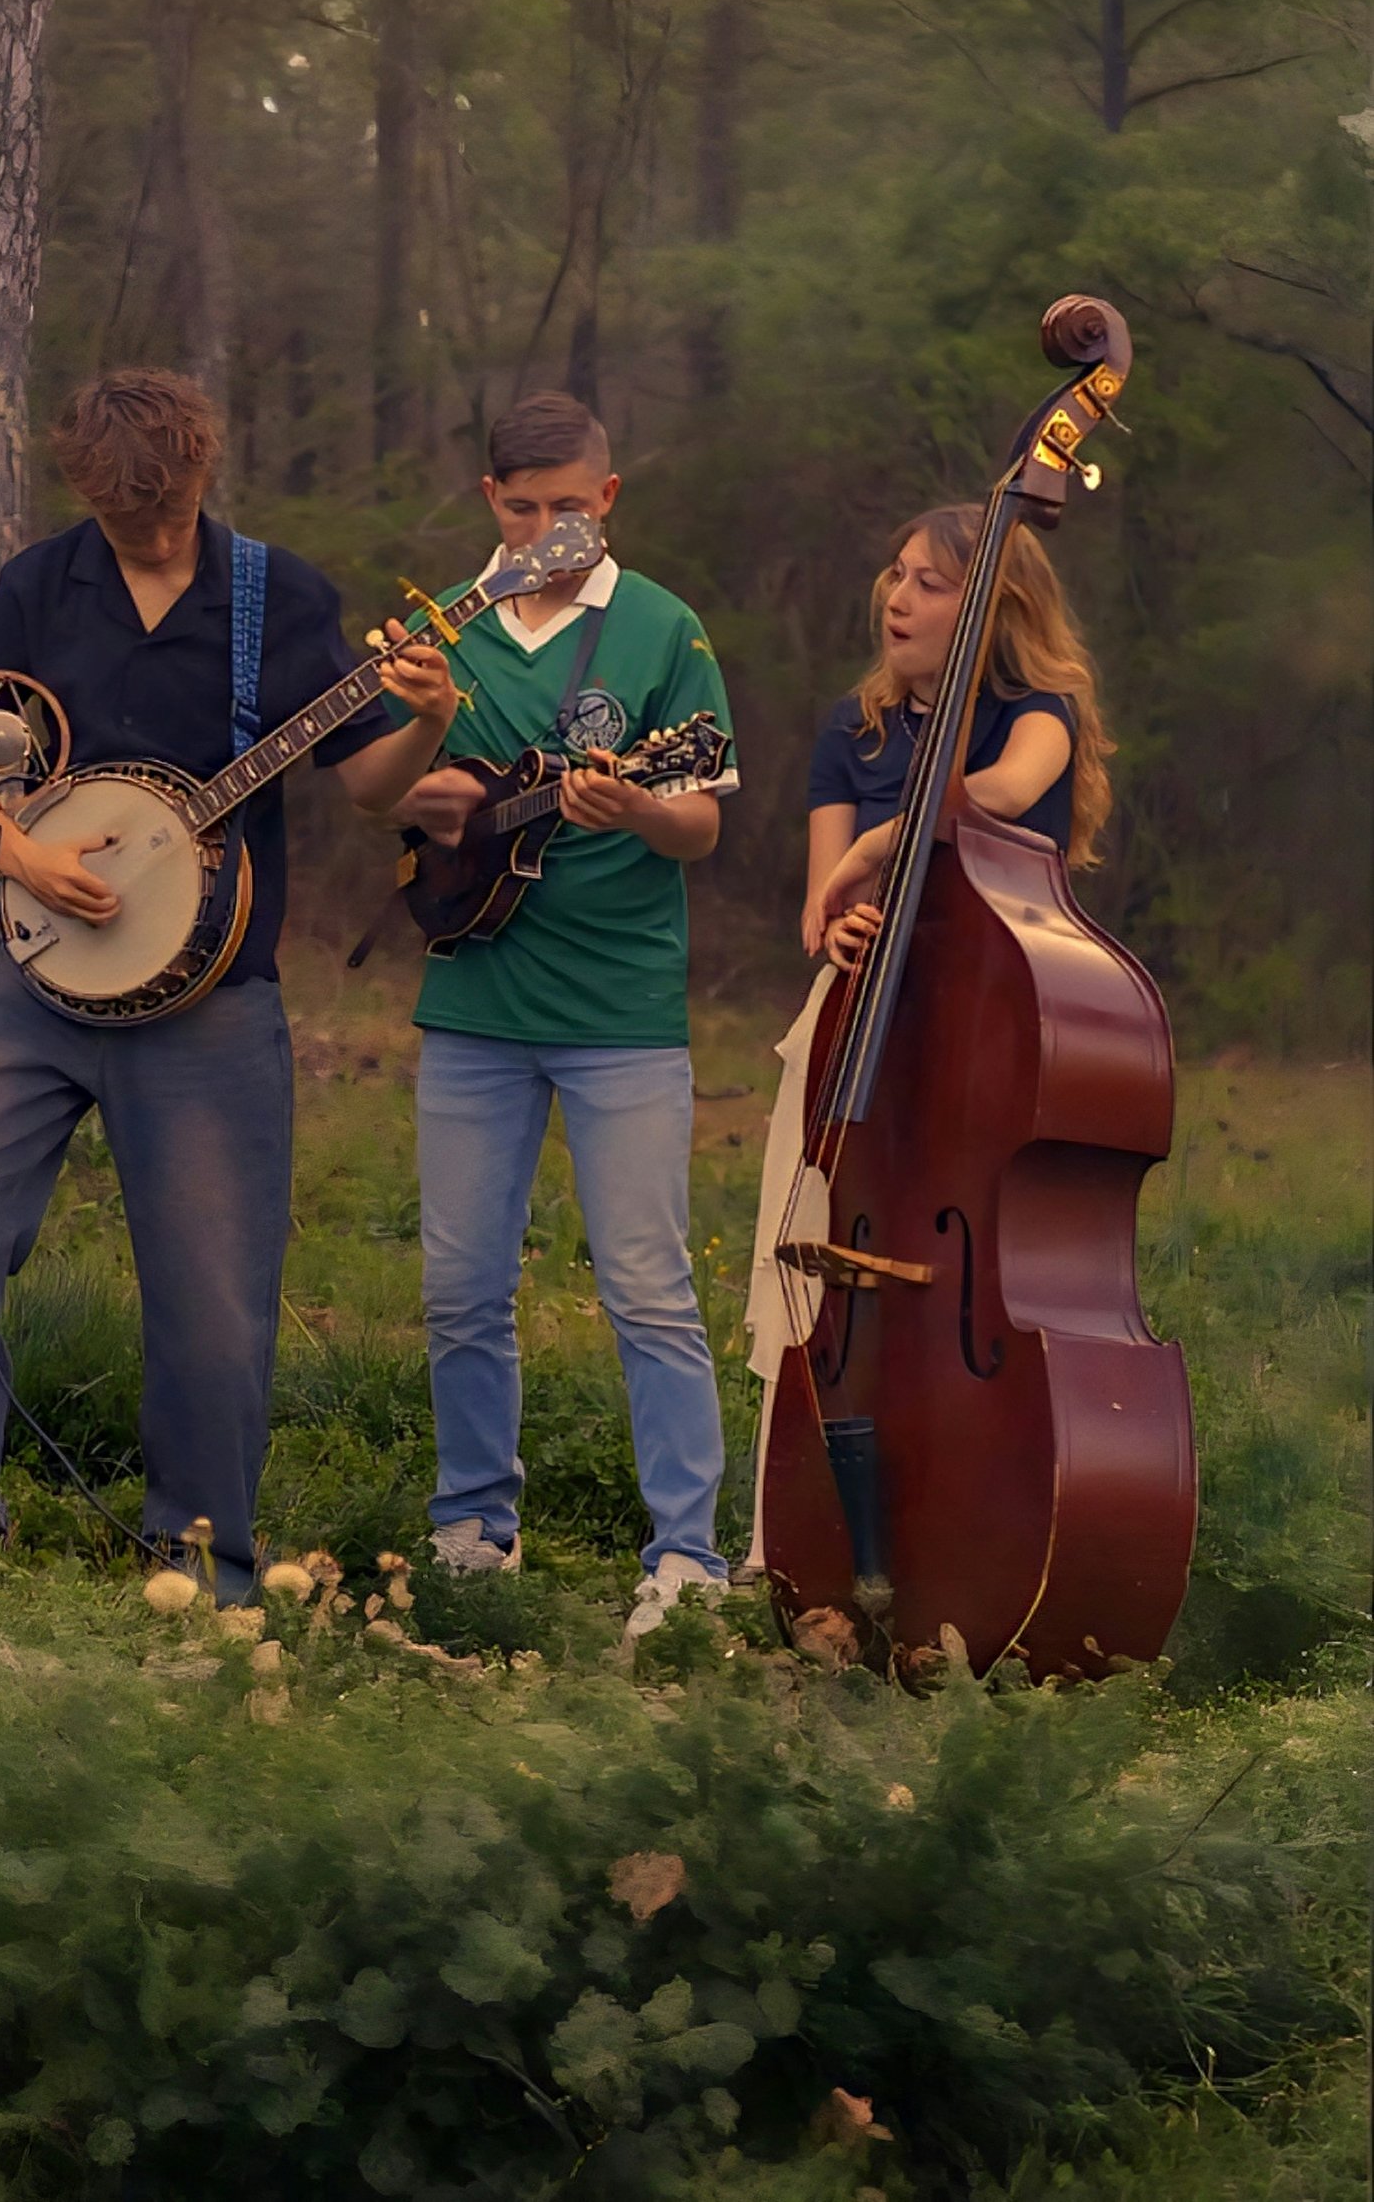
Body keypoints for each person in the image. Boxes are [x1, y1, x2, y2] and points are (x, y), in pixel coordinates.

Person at [0, 367, 460, 1600]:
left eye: (169, 507)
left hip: (210, 1004)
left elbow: (371, 785)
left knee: (212, 1303)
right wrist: (21, 853)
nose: (152, 532)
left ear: (203, 472)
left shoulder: (279, 595)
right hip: (37, 984)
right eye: (124, 514)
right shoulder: (42, 584)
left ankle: (201, 1563)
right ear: (88, 490)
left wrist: (430, 715)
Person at [384, 391, 738, 1646]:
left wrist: (639, 811)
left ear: (609, 498)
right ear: (491, 502)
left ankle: (688, 1555)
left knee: (647, 1286)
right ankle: (473, 1525)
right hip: (474, 999)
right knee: (460, 1286)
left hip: (620, 1009)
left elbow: (699, 814)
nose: (548, 528)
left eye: (571, 507)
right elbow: (386, 792)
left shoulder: (662, 630)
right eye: (523, 507)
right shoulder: (452, 625)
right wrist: (426, 785)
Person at [742, 502, 1112, 1567]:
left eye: (931, 583)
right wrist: (838, 907)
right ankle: (789, 1550)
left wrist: (887, 841)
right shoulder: (848, 730)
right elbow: (818, 911)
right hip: (855, 1029)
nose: (897, 598)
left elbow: (1001, 791)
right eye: (894, 575)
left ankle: (983, 1530)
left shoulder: (1038, 709)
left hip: (987, 1033)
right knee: (812, 1283)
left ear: (993, 603)